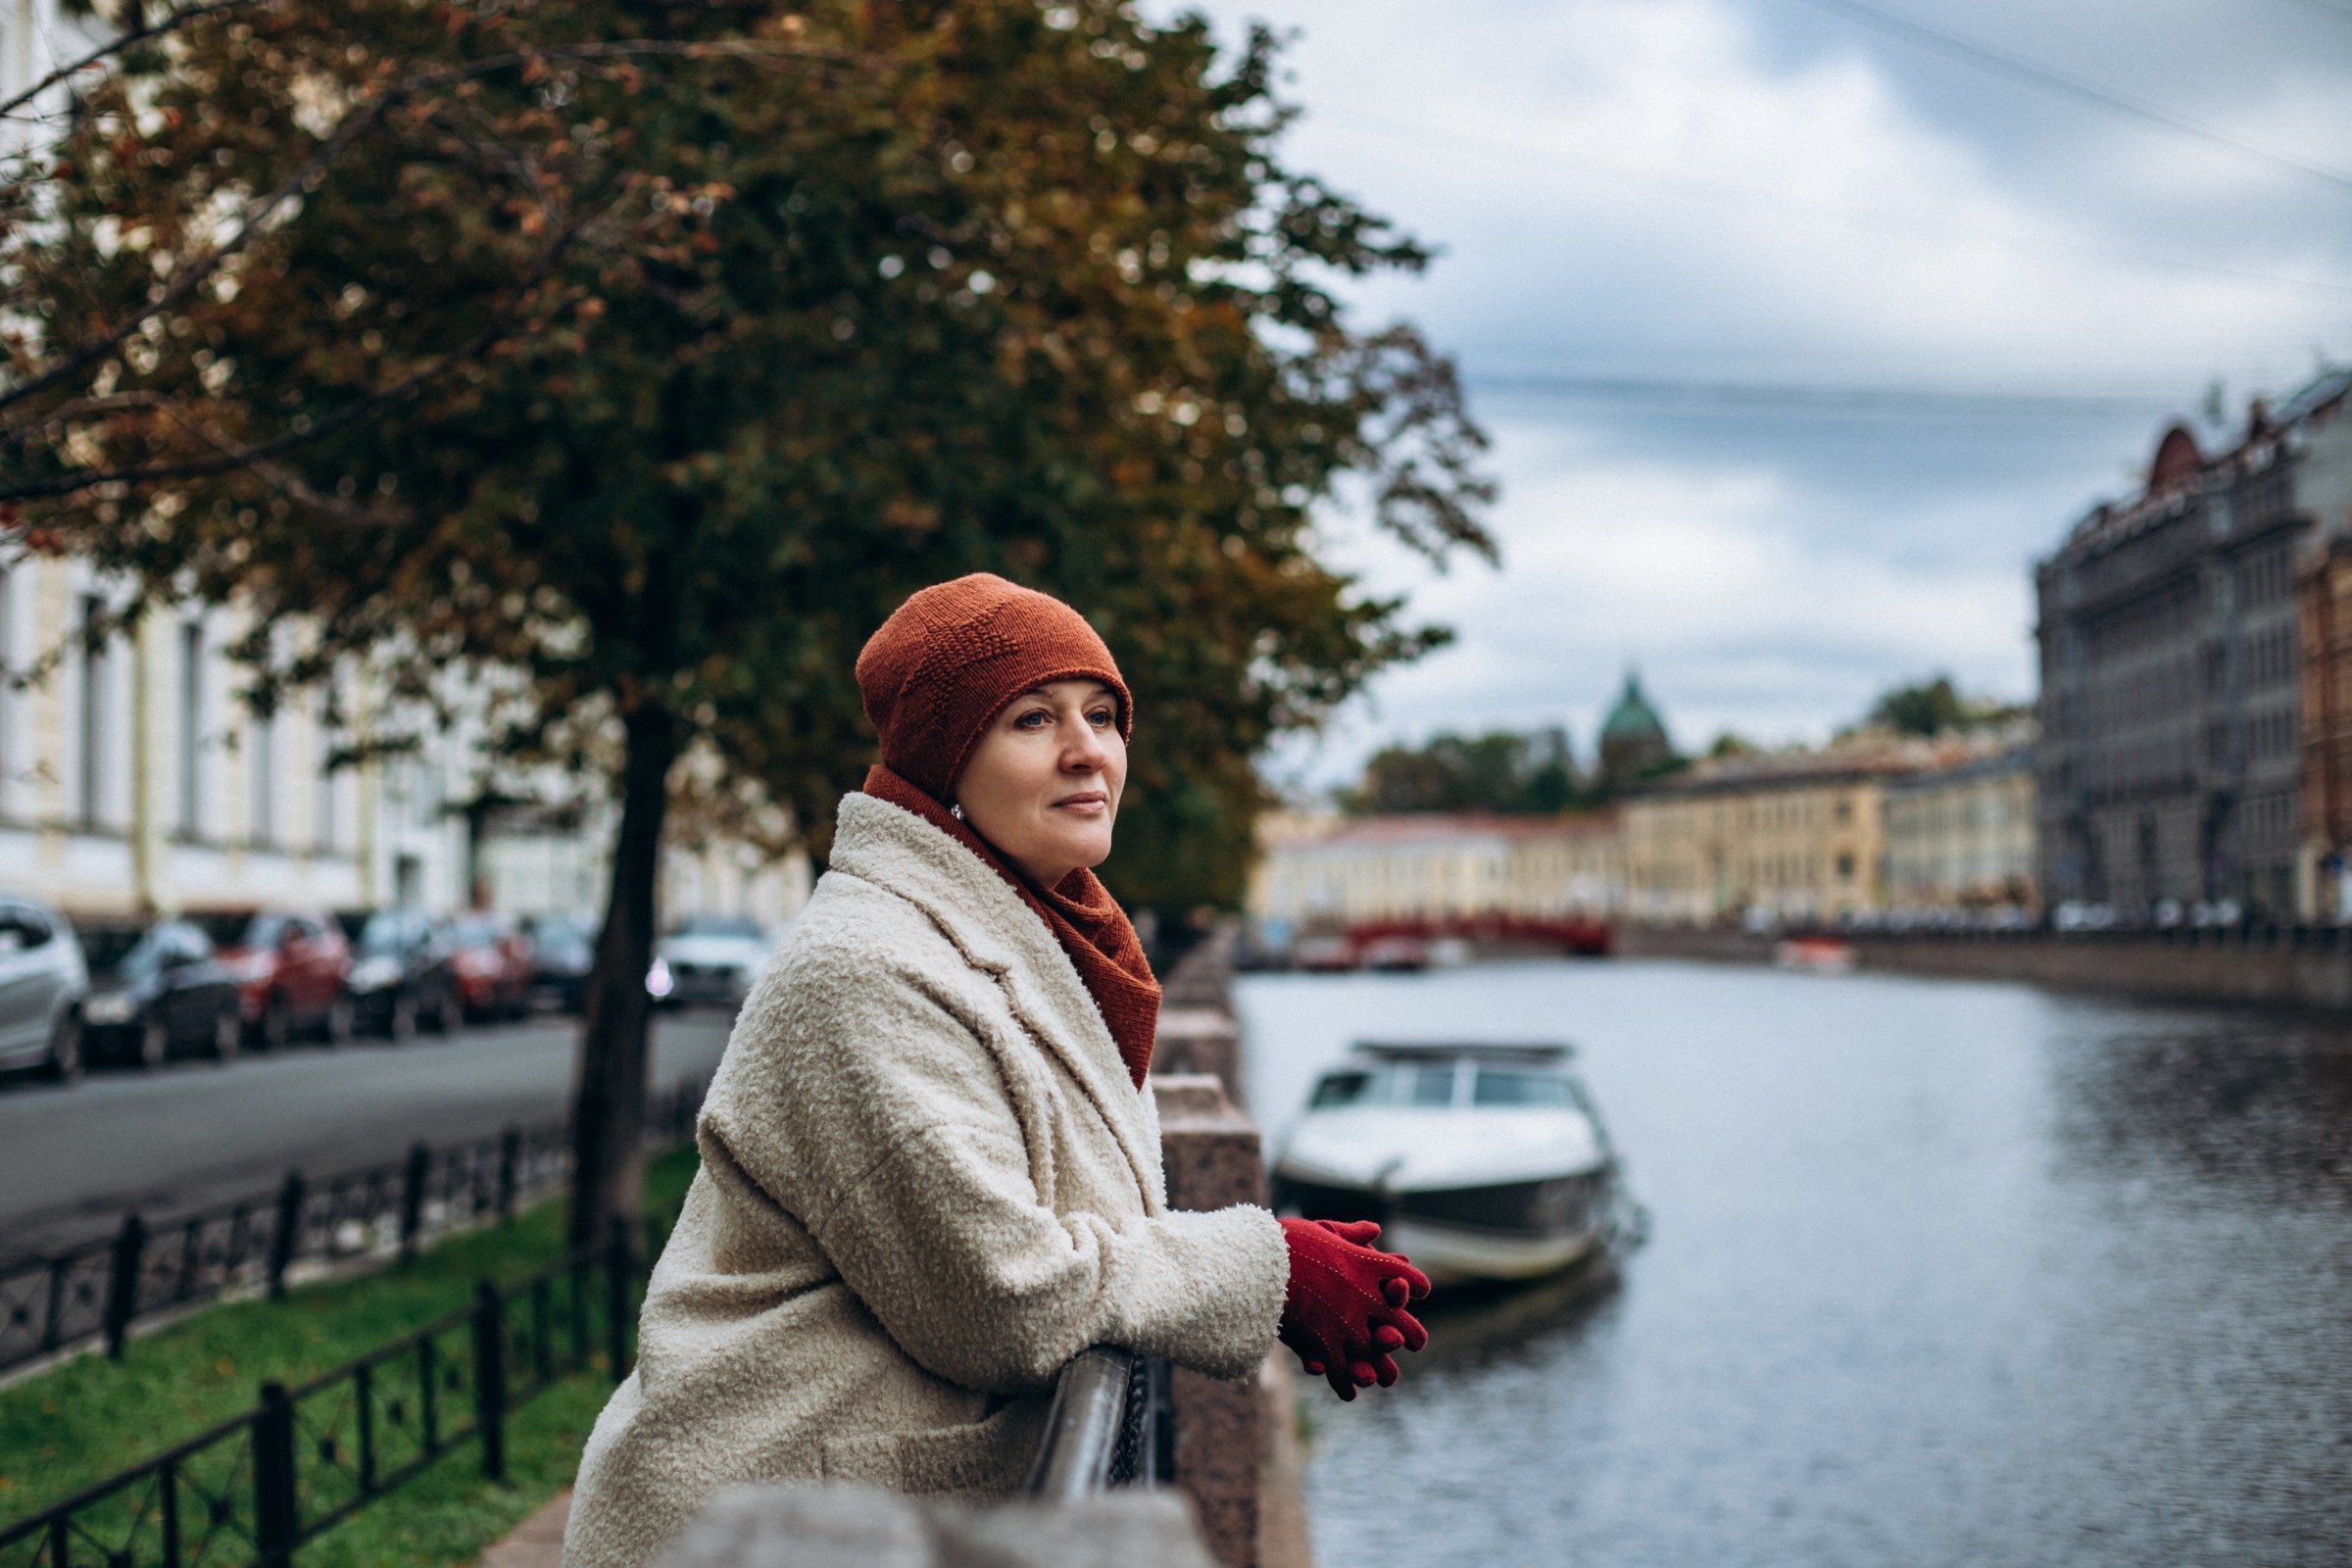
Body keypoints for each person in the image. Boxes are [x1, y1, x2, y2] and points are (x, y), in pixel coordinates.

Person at [563, 574, 1428, 1568]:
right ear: (945, 758)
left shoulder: (1041, 934)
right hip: (762, 1518)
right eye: (1031, 718)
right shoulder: (864, 967)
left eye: (1103, 714)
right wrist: (1269, 1271)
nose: (1086, 749)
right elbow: (999, 1296)